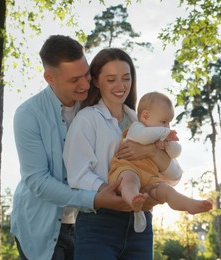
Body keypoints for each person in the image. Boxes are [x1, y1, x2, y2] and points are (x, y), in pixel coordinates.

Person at [10, 35, 129, 260]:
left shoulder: (93, 106)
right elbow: (37, 180)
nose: (84, 84)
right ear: (49, 78)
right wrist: (95, 199)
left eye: (86, 75)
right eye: (74, 80)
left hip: (87, 224)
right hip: (39, 227)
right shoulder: (28, 115)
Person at [63, 48, 181, 259]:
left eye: (126, 78)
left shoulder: (142, 122)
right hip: (98, 224)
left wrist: (150, 151)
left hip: (140, 225)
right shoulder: (87, 119)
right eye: (111, 80)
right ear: (97, 82)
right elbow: (78, 174)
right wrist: (112, 194)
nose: (121, 86)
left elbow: (175, 176)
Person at [108, 91, 213, 232]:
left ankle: (188, 204)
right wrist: (163, 134)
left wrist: (168, 144)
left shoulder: (161, 135)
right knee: (129, 181)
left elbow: (176, 152)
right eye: (163, 122)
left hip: (150, 175)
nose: (167, 127)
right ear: (145, 116)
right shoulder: (137, 128)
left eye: (169, 123)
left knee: (165, 189)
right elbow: (143, 137)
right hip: (127, 167)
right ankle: (134, 199)